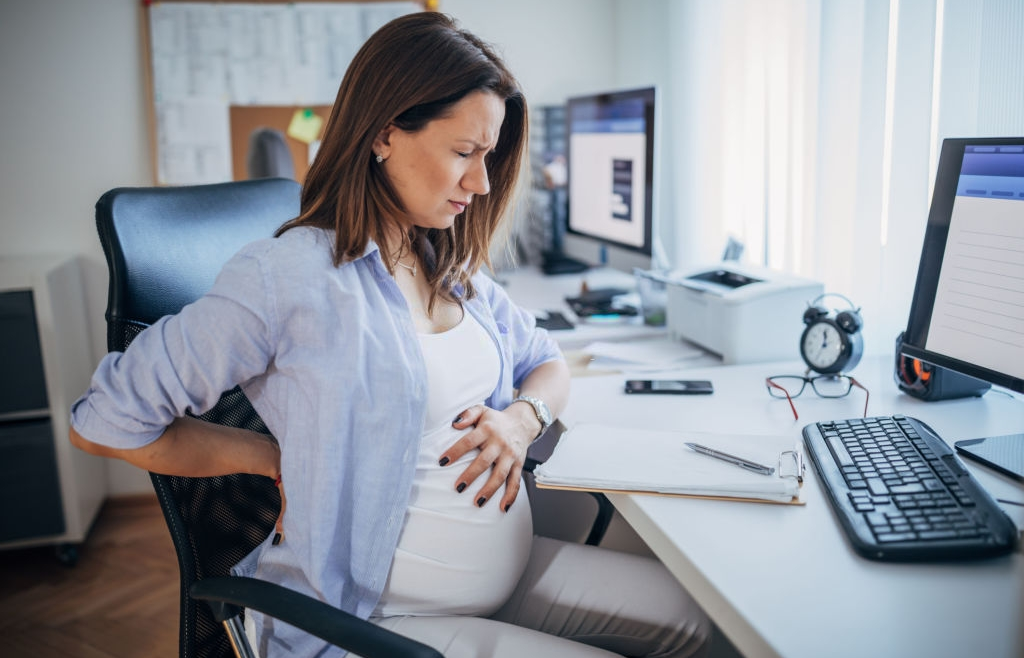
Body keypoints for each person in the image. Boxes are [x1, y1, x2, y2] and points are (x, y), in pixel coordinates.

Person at [69, 12, 711, 658]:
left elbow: (549, 363)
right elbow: (104, 421)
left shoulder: (449, 265)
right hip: (378, 621)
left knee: (697, 618)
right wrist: (268, 457)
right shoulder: (290, 277)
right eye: (464, 153)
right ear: (383, 135)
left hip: (505, 578)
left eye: (487, 157)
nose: (482, 183)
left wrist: (522, 420)